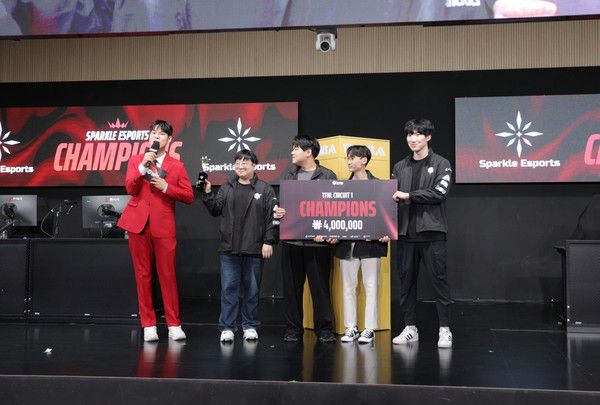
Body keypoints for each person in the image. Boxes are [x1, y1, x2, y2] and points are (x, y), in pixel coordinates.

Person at [118, 120, 194, 342]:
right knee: (143, 275)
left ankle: (174, 324)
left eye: (161, 134)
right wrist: (143, 167)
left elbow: (189, 196)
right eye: (153, 133)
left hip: (163, 225)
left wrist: (166, 187)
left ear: (169, 139)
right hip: (138, 225)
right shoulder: (136, 160)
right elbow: (130, 188)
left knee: (167, 275)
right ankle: (148, 324)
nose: (156, 136)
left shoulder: (176, 166)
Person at [201, 149, 278, 343]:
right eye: (237, 163)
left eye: (245, 162)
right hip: (229, 249)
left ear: (254, 165)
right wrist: (208, 193)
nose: (240, 166)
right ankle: (227, 327)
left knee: (252, 290)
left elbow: (272, 218)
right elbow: (215, 209)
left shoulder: (265, 189)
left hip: (254, 249)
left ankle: (250, 325)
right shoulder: (227, 187)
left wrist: (268, 241)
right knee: (229, 289)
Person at [391, 119, 453, 348]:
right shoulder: (400, 166)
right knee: (406, 283)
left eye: (418, 134)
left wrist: (409, 195)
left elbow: (439, 193)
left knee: (439, 281)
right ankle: (410, 327)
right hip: (405, 235)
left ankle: (445, 329)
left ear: (428, 137)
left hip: (432, 234)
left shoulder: (441, 163)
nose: (413, 139)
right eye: (410, 134)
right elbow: (389, 196)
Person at [274, 135, 338, 343]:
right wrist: (279, 211)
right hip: (292, 240)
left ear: (308, 152)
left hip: (317, 243)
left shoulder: (327, 175)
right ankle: (293, 329)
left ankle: (324, 329)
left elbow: (334, 208)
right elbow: (282, 204)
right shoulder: (289, 175)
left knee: (320, 288)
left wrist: (330, 232)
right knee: (292, 289)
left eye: (296, 148)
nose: (292, 152)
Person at [336, 145, 389, 344]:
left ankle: (369, 328)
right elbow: (335, 214)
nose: (349, 161)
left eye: (353, 158)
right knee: (348, 286)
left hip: (371, 244)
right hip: (347, 244)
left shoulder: (380, 186)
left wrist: (385, 233)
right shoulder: (341, 187)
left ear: (364, 160)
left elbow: (386, 215)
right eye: (347, 158)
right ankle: (350, 327)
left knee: (371, 285)